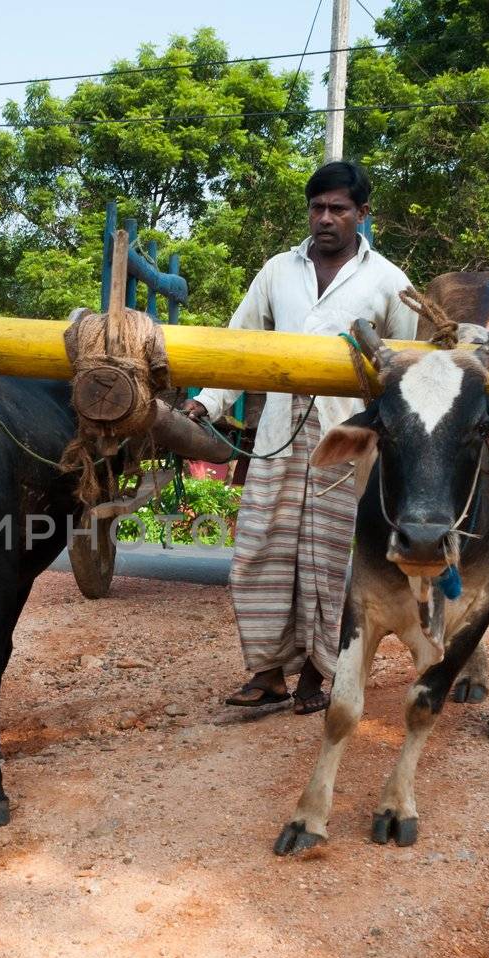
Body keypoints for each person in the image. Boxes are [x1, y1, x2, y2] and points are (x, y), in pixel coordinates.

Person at [183, 160, 419, 714]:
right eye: (318, 208)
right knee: (261, 546)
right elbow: (238, 347)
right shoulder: (277, 271)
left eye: (339, 209)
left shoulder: (389, 281)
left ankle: (318, 675)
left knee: (331, 557)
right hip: (279, 436)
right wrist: (204, 402)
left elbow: (404, 372)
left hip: (349, 443)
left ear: (362, 215)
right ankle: (267, 674)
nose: (326, 218)